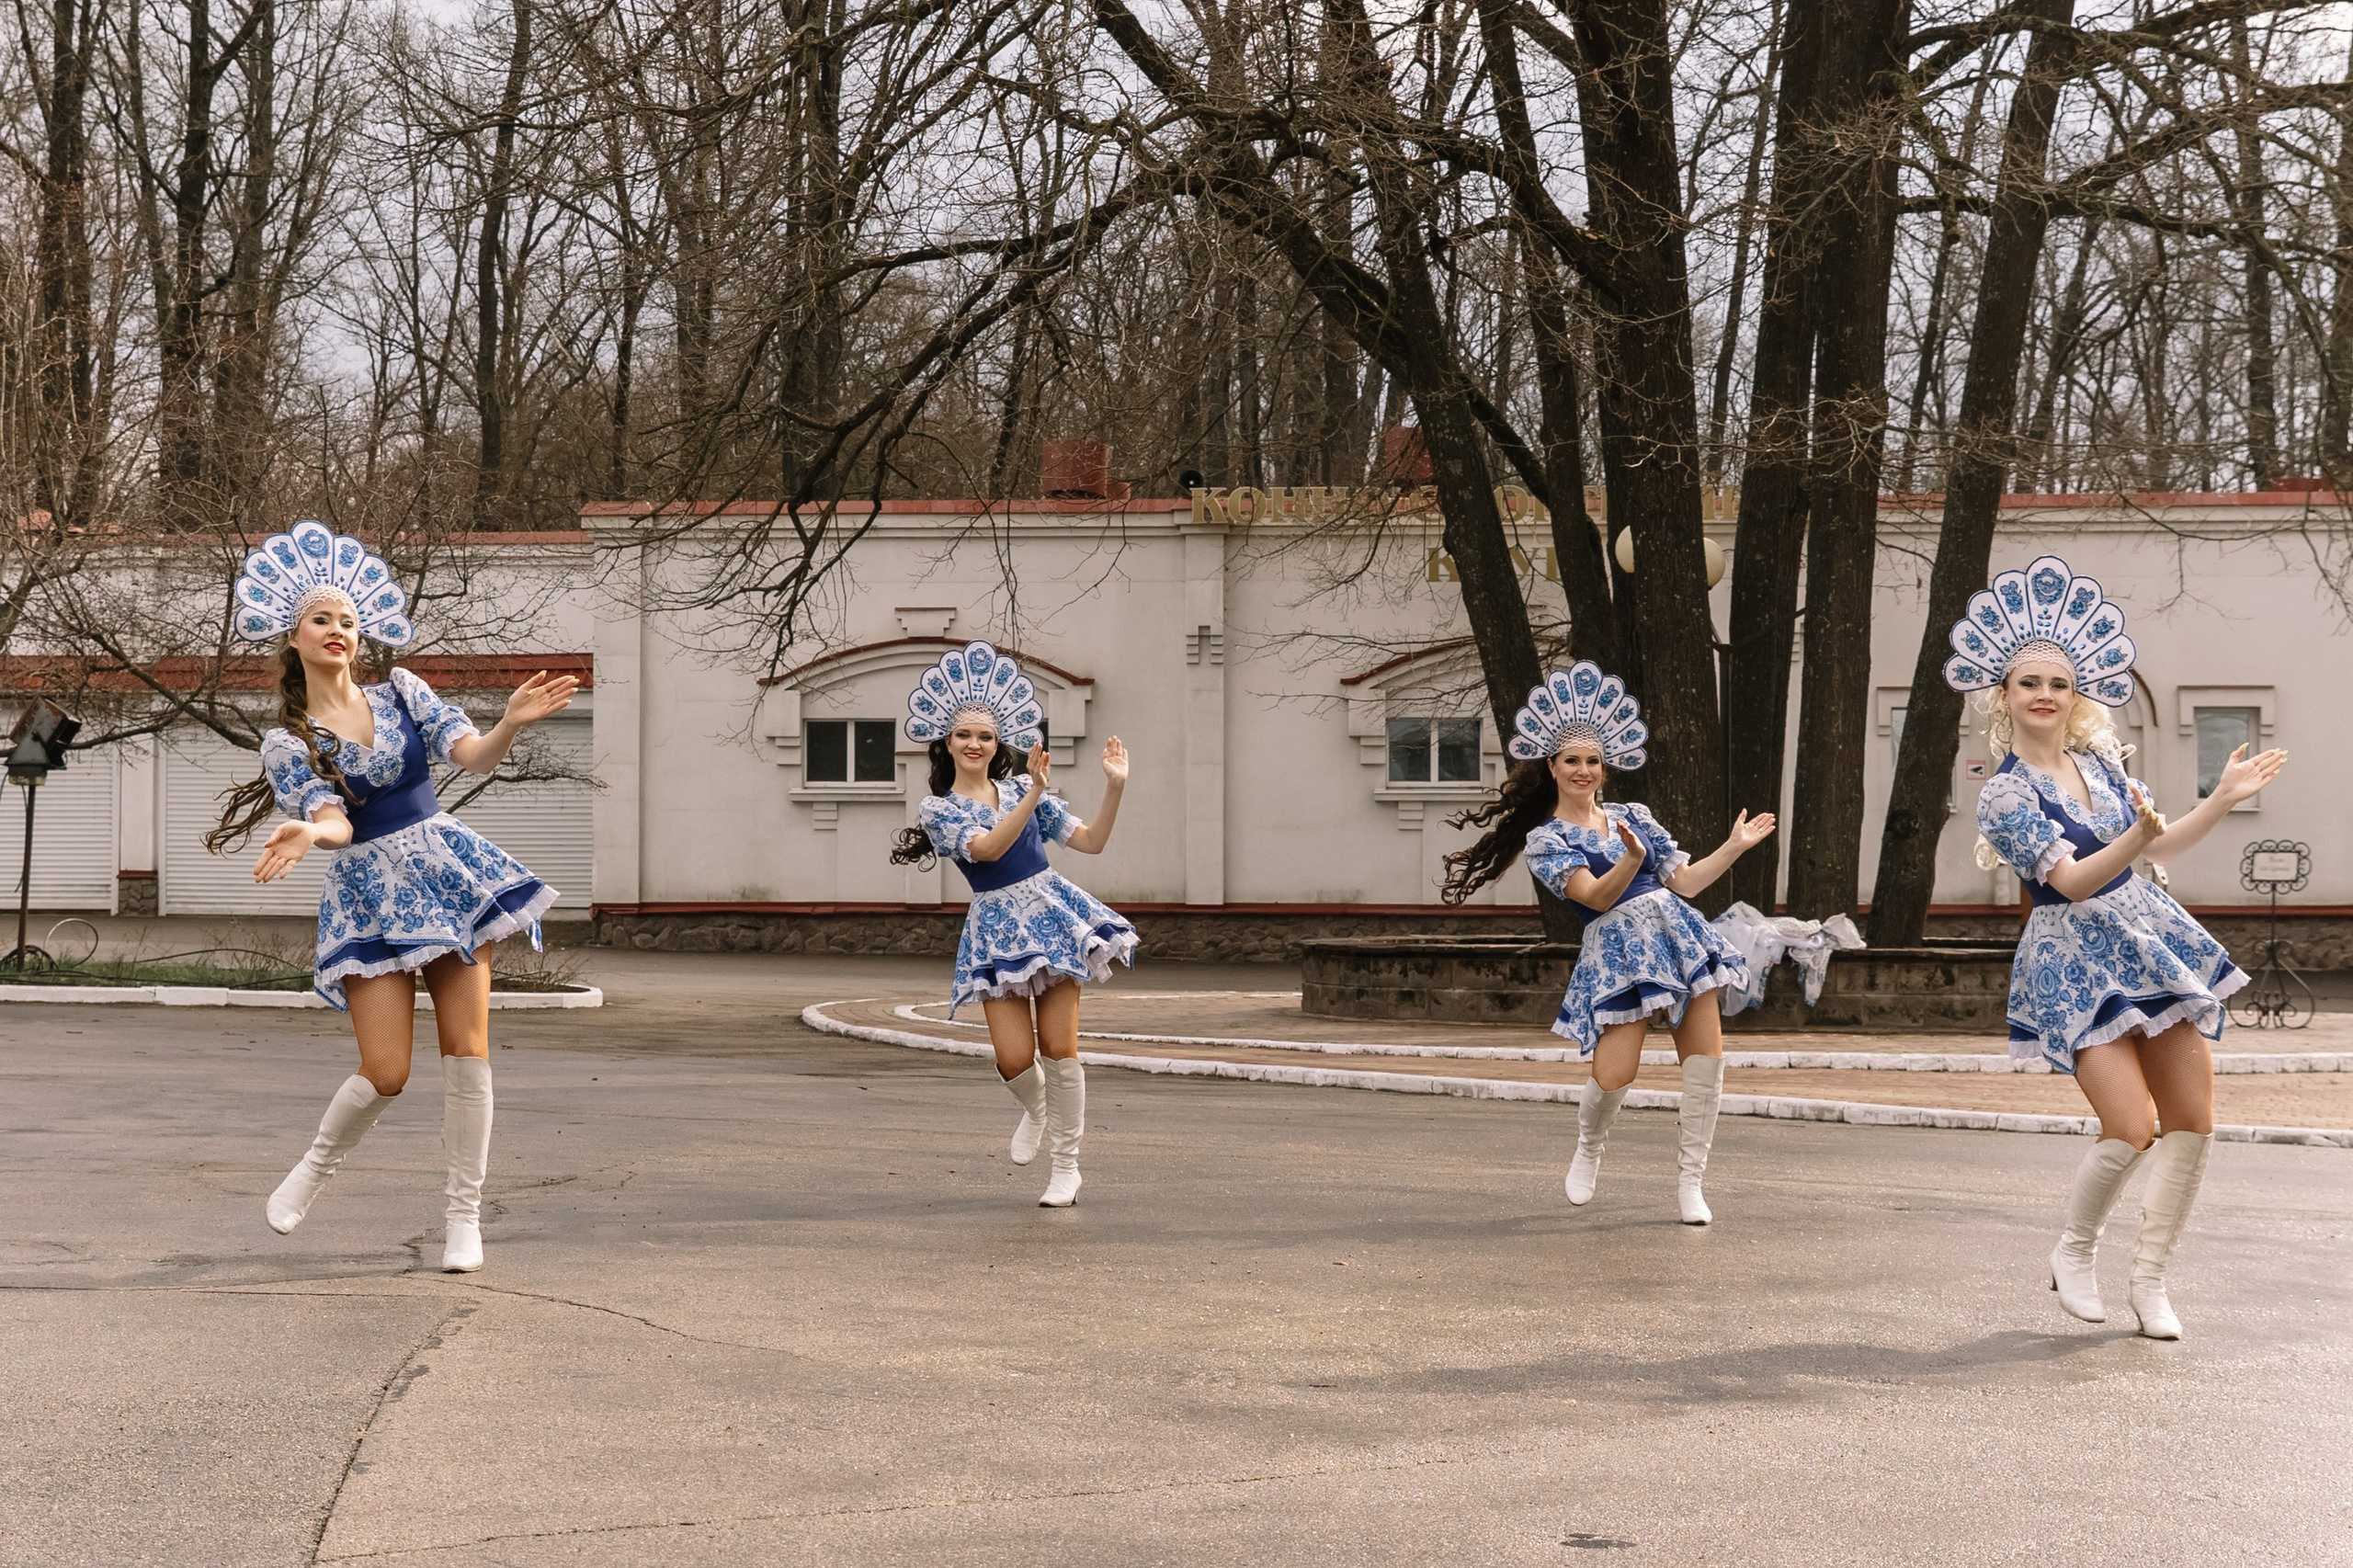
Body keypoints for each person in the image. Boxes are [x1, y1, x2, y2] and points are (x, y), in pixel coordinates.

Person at [210, 521, 577, 1272]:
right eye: (322, 619)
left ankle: (462, 1219)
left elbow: (468, 754)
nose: (339, 630)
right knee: (387, 1072)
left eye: (348, 620)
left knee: (468, 1051)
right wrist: (309, 835)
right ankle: (314, 1168)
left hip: (445, 877)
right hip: (369, 897)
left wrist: (509, 720)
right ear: (294, 638)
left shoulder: (404, 691)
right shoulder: (289, 739)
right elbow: (336, 822)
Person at [1948, 554, 2283, 1339]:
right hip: (2073, 960)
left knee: (2194, 1121)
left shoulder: (2101, 763)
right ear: (2003, 695)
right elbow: (2066, 883)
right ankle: (2075, 1249)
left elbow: (2159, 852)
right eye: (2029, 683)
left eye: (2059, 684)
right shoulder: (2002, 793)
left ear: (2076, 695)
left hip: (2145, 940)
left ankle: (2153, 1282)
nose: (2044, 696)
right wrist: (2137, 836)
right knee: (2132, 1125)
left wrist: (2222, 799)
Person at [1444, 662, 1776, 1223]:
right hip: (1620, 955)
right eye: (1571, 760)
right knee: (1615, 1073)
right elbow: (1596, 899)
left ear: (1605, 767)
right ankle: (1589, 1149)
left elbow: (1686, 882)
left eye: (1592, 760)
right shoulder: (1546, 839)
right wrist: (1630, 859)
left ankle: (1690, 1183)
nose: (1583, 769)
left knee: (1707, 1066)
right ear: (1551, 767)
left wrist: (1735, 845)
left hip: (1679, 939)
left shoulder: (1633, 816)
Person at [889, 642, 1137, 1207]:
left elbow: (1092, 843)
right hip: (996, 929)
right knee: (1014, 1058)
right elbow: (990, 849)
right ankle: (1036, 1107)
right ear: (946, 743)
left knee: (1060, 1049)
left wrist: (1115, 786)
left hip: (1051, 918)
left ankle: (1067, 1169)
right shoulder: (940, 809)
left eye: (986, 736)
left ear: (998, 743)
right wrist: (1036, 796)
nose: (975, 744)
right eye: (963, 735)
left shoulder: (1026, 787)